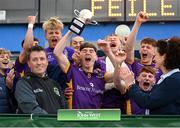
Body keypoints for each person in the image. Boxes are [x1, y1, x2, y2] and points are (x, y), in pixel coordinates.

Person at [53, 29, 123, 109]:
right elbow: (57, 53)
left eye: (91, 51)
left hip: (95, 119)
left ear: (96, 57)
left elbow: (120, 73)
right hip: (75, 118)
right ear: (79, 55)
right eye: (84, 51)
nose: (88, 53)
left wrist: (108, 52)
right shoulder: (72, 70)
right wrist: (71, 31)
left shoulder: (101, 75)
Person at [119, 36, 180, 115]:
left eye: (156, 54)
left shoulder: (174, 80)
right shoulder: (171, 78)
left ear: (164, 57)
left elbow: (147, 102)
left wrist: (130, 84)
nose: (154, 58)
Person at [15, 46, 67, 114]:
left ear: (47, 62)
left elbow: (64, 109)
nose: (39, 63)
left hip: (57, 124)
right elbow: (30, 108)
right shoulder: (23, 83)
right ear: (29, 63)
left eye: (42, 59)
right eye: (34, 60)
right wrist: (53, 122)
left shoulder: (55, 84)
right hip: (38, 124)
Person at [0, 48, 17, 113]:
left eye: (7, 57)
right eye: (2, 57)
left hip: (10, 119)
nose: (6, 58)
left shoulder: (12, 76)